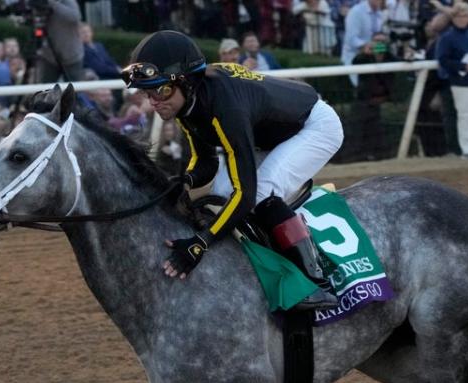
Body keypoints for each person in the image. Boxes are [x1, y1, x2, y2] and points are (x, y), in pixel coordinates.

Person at [121, 30, 343, 310]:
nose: (154, 101)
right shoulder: (186, 103)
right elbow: (206, 162)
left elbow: (245, 195)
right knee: (222, 197)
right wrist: (183, 181)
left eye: (162, 90)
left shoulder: (223, 107)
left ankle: (316, 283)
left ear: (186, 83)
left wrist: (200, 243)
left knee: (259, 193)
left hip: (314, 126)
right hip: (264, 134)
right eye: (148, 92)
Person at [436, 2, 468, 157]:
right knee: (464, 114)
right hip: (460, 82)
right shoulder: (447, 38)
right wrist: (461, 67)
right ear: (454, 17)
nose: (463, 19)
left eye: (466, 15)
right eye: (460, 16)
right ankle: (467, 148)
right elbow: (443, 60)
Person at [351, 31, 398, 159]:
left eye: (382, 41)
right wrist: (365, 52)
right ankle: (363, 154)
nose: (379, 44)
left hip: (385, 100)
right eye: (377, 41)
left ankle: (383, 154)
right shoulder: (363, 58)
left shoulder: (391, 57)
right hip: (366, 100)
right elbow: (355, 62)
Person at [33, 0, 83, 83]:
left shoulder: (68, 2)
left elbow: (75, 17)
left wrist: (52, 4)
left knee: (73, 90)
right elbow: (37, 27)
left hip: (71, 55)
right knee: (46, 89)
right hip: (50, 56)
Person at [342, 0, 387, 84]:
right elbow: (351, 39)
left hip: (374, 58)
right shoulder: (356, 12)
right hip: (355, 57)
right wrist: (365, 45)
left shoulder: (380, 14)